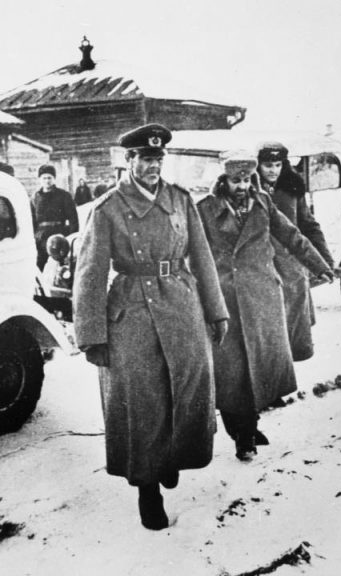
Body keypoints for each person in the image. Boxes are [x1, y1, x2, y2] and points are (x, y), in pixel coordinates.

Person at [73, 123, 229, 531]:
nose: (152, 166)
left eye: (158, 159)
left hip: (181, 303)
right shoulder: (107, 208)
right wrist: (92, 336)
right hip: (131, 312)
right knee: (142, 401)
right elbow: (89, 273)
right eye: (145, 159)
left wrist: (216, 311)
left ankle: (172, 457)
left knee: (188, 386)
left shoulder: (180, 200)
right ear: (129, 162)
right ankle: (147, 488)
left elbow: (202, 256)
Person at [197, 153, 334, 462]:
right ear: (223, 181)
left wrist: (320, 265)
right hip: (225, 300)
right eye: (236, 181)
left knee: (257, 367)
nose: (242, 186)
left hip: (261, 297)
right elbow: (193, 253)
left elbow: (292, 236)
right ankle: (240, 433)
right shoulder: (204, 210)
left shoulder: (262, 203)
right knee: (231, 373)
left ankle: (248, 429)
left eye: (246, 179)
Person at [257, 141, 334, 365]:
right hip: (261, 265)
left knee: (291, 329)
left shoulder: (292, 188)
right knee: (265, 331)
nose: (273, 170)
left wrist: (324, 261)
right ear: (258, 166)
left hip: (290, 267)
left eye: (277, 165)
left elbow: (309, 226)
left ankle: (287, 382)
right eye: (267, 165)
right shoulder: (249, 189)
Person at [31, 164, 79, 271]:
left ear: (54, 179)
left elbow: (73, 219)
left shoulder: (63, 195)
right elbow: (31, 220)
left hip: (58, 235)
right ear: (39, 179)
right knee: (39, 267)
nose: (47, 181)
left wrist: (71, 239)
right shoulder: (35, 197)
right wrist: (34, 237)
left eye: (49, 178)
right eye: (44, 178)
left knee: (61, 269)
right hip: (41, 237)